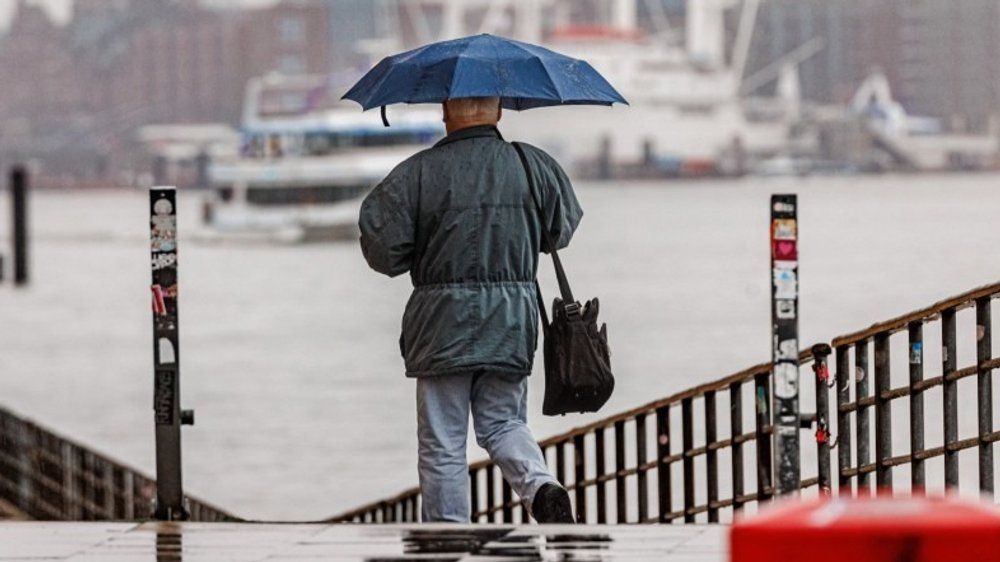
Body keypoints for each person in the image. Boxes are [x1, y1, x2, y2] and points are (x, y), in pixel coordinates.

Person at [358, 96, 583, 523]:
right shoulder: (533, 165)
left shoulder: (416, 173)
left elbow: (383, 253)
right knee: (503, 423)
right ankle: (540, 486)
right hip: (511, 323)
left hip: (441, 328)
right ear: (498, 112)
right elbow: (560, 230)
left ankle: (450, 536)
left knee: (444, 440)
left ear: (446, 113)